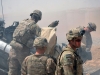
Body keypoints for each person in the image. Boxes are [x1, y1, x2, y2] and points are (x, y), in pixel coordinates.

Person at [8, 10, 42, 75]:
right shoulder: (34, 26)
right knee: (25, 70)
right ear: (37, 18)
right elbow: (42, 36)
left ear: (31, 15)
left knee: (12, 70)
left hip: (13, 48)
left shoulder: (23, 21)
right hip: (23, 50)